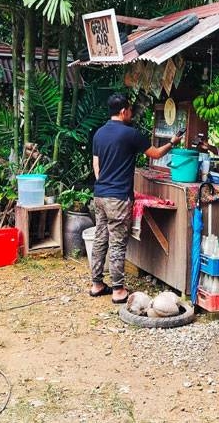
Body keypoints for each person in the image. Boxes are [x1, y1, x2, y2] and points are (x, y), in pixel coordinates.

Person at [89, 93, 181, 303]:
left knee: (101, 238)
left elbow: (97, 166)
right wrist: (172, 142)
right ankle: (118, 290)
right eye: (130, 110)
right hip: (119, 197)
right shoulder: (131, 134)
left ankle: (96, 284)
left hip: (100, 194)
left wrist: (103, 184)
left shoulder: (99, 134)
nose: (131, 113)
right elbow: (156, 154)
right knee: (118, 243)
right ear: (123, 111)